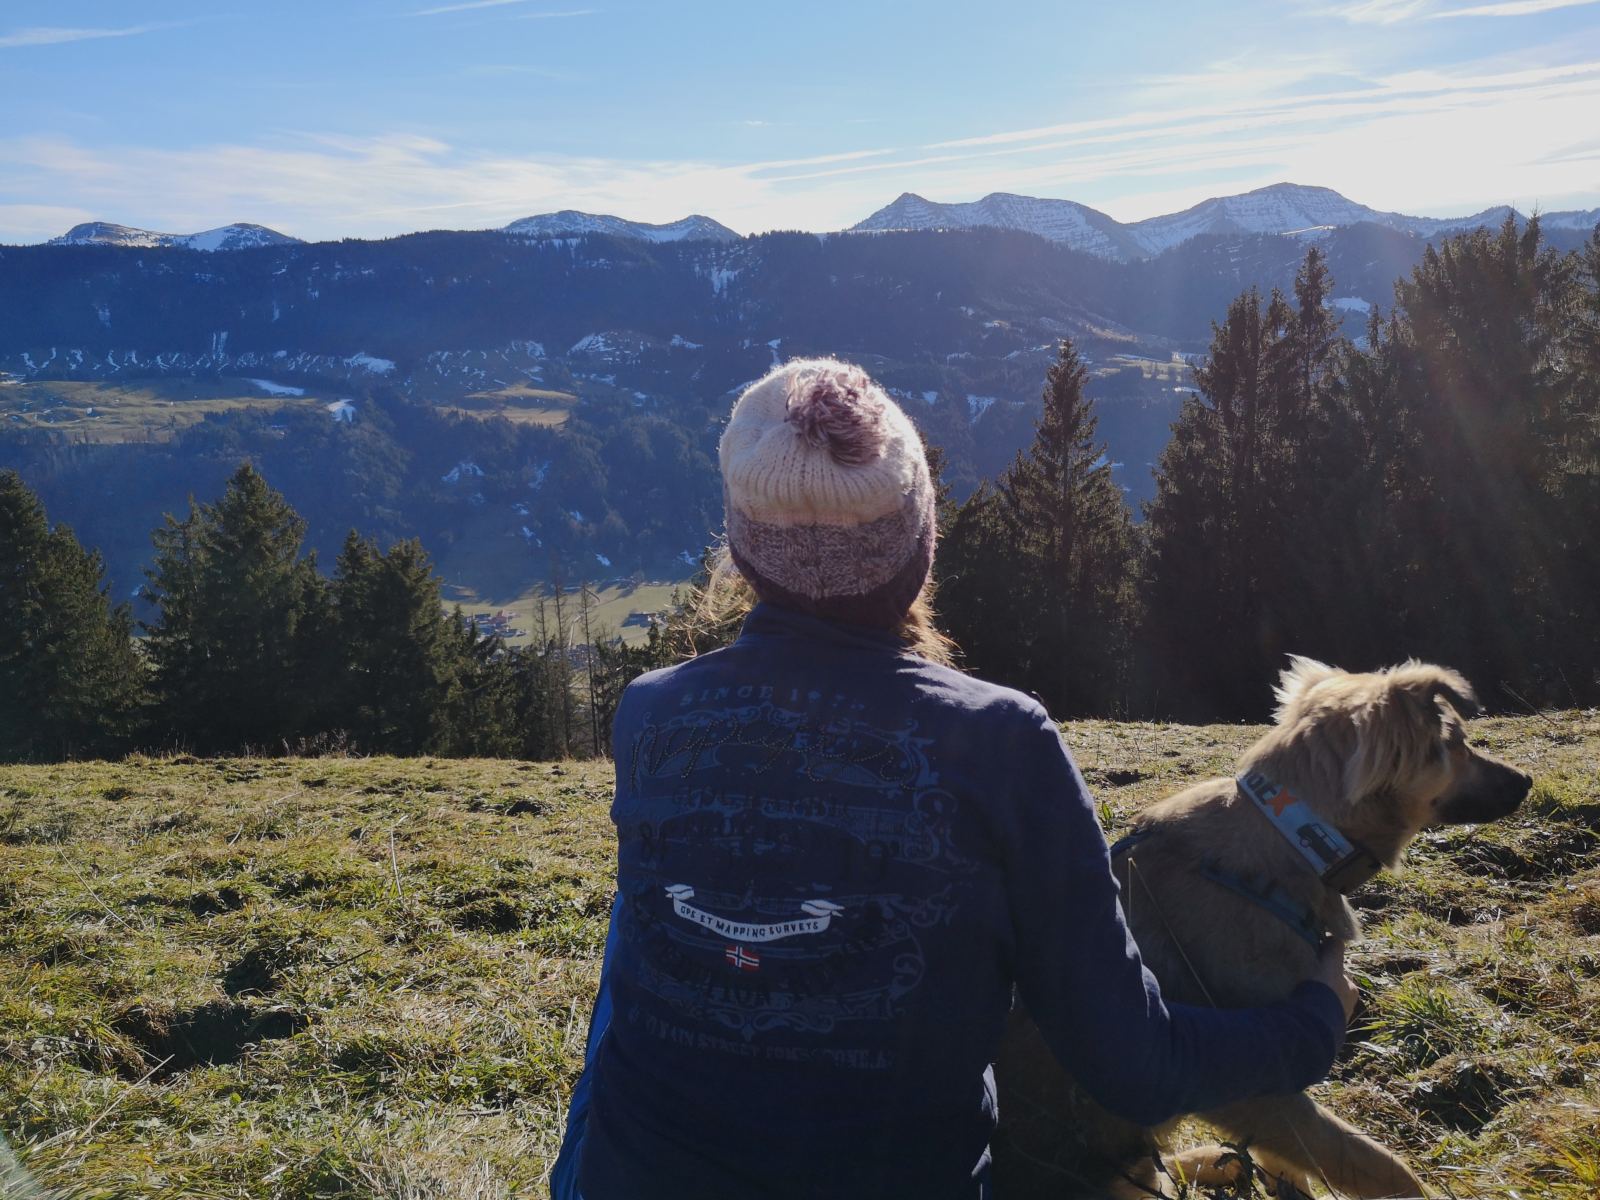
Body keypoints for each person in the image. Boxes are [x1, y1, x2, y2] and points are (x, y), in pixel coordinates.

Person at [549, 358, 1355, 1200]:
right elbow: (1138, 1070)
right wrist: (1313, 1020)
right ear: (918, 546)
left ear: (744, 550)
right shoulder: (1002, 743)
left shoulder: (651, 714)